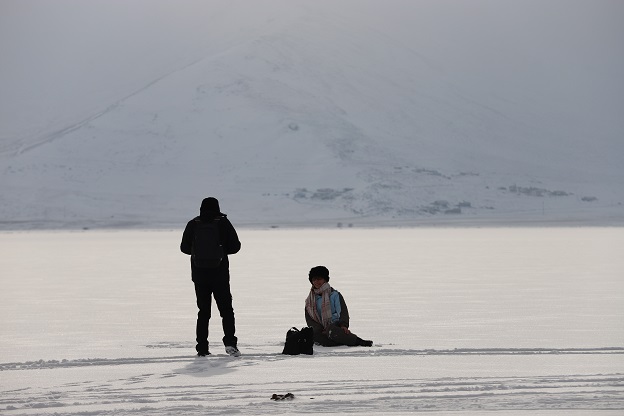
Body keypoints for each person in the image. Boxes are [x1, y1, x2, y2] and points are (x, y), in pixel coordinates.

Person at [181, 197, 241, 357]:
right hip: (220, 274)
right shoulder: (222, 222)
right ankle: (230, 343)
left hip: (199, 275)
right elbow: (236, 247)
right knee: (226, 310)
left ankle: (202, 347)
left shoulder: (194, 223)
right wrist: (219, 251)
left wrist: (199, 252)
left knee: (203, 312)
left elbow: (184, 248)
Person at [304, 266, 373, 347]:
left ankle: (358, 341)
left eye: (319, 279)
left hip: (335, 326)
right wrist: (319, 329)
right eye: (314, 280)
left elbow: (343, 312)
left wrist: (343, 325)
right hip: (320, 330)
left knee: (332, 331)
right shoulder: (310, 300)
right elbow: (310, 319)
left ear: (325, 279)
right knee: (312, 334)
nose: (316, 282)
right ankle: (341, 341)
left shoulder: (335, 295)